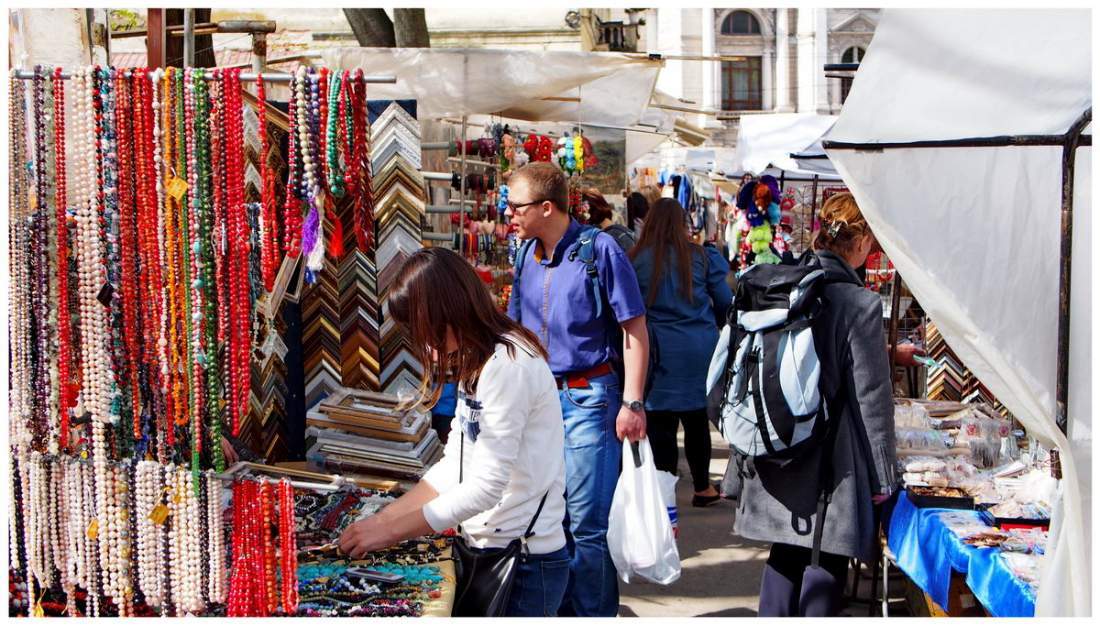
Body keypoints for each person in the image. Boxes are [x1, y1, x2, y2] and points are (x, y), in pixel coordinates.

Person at [337, 247, 568, 617]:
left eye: (424, 329)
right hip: (494, 551)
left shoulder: (509, 366)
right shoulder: (481, 359)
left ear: (449, 310)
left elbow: (485, 487)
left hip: (523, 563)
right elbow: (456, 461)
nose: (425, 346)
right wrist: (385, 519)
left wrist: (391, 531)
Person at [731, 192, 897, 617]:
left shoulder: (778, 283)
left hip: (774, 443)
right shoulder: (859, 304)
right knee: (825, 557)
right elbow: (871, 399)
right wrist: (883, 478)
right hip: (831, 461)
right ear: (861, 242)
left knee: (786, 552)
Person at [504, 162, 649, 617]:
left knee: (588, 524)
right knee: (553, 518)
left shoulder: (600, 249)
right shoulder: (525, 255)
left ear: (547, 207)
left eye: (516, 206)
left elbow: (634, 329)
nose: (509, 213)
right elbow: (515, 331)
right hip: (539, 402)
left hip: (590, 398)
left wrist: (632, 401)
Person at [629, 199, 732, 506]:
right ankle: (703, 488)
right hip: (698, 348)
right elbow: (725, 301)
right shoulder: (701, 256)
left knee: (661, 424)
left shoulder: (634, 259)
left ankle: (665, 494)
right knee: (697, 419)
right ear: (682, 224)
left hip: (656, 350)